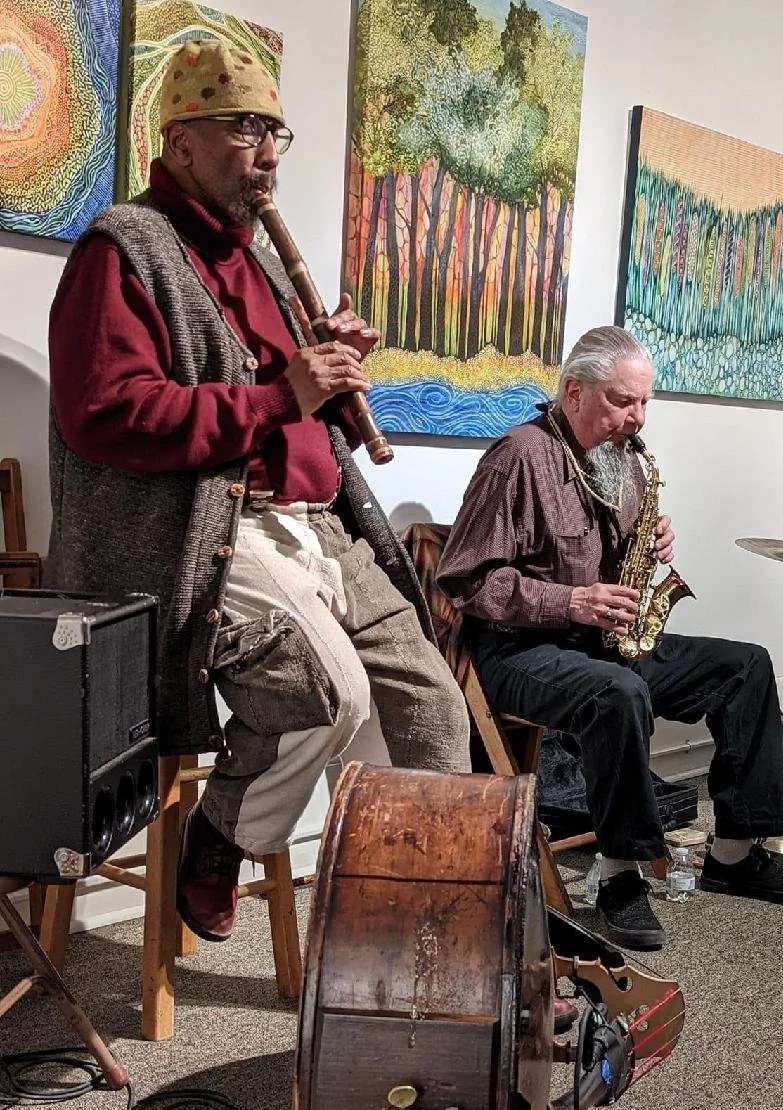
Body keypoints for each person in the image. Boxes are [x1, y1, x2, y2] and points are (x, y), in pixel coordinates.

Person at [45, 39, 471, 942]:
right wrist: (284, 394)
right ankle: (222, 835)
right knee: (327, 694)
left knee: (433, 707)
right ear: (181, 140)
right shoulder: (123, 250)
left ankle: (401, 932)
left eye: (276, 132)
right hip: (210, 532)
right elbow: (106, 415)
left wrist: (330, 375)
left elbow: (298, 412)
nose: (269, 152)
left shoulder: (262, 261)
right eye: (245, 129)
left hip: (319, 526)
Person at [436, 325, 783, 951]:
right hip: (518, 651)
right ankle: (619, 872)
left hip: (603, 641)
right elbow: (464, 579)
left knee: (746, 666)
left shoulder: (626, 461)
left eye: (644, 402)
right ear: (574, 392)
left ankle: (733, 853)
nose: (637, 418)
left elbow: (617, 561)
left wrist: (652, 539)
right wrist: (572, 600)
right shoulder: (518, 458)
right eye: (622, 401)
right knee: (617, 693)